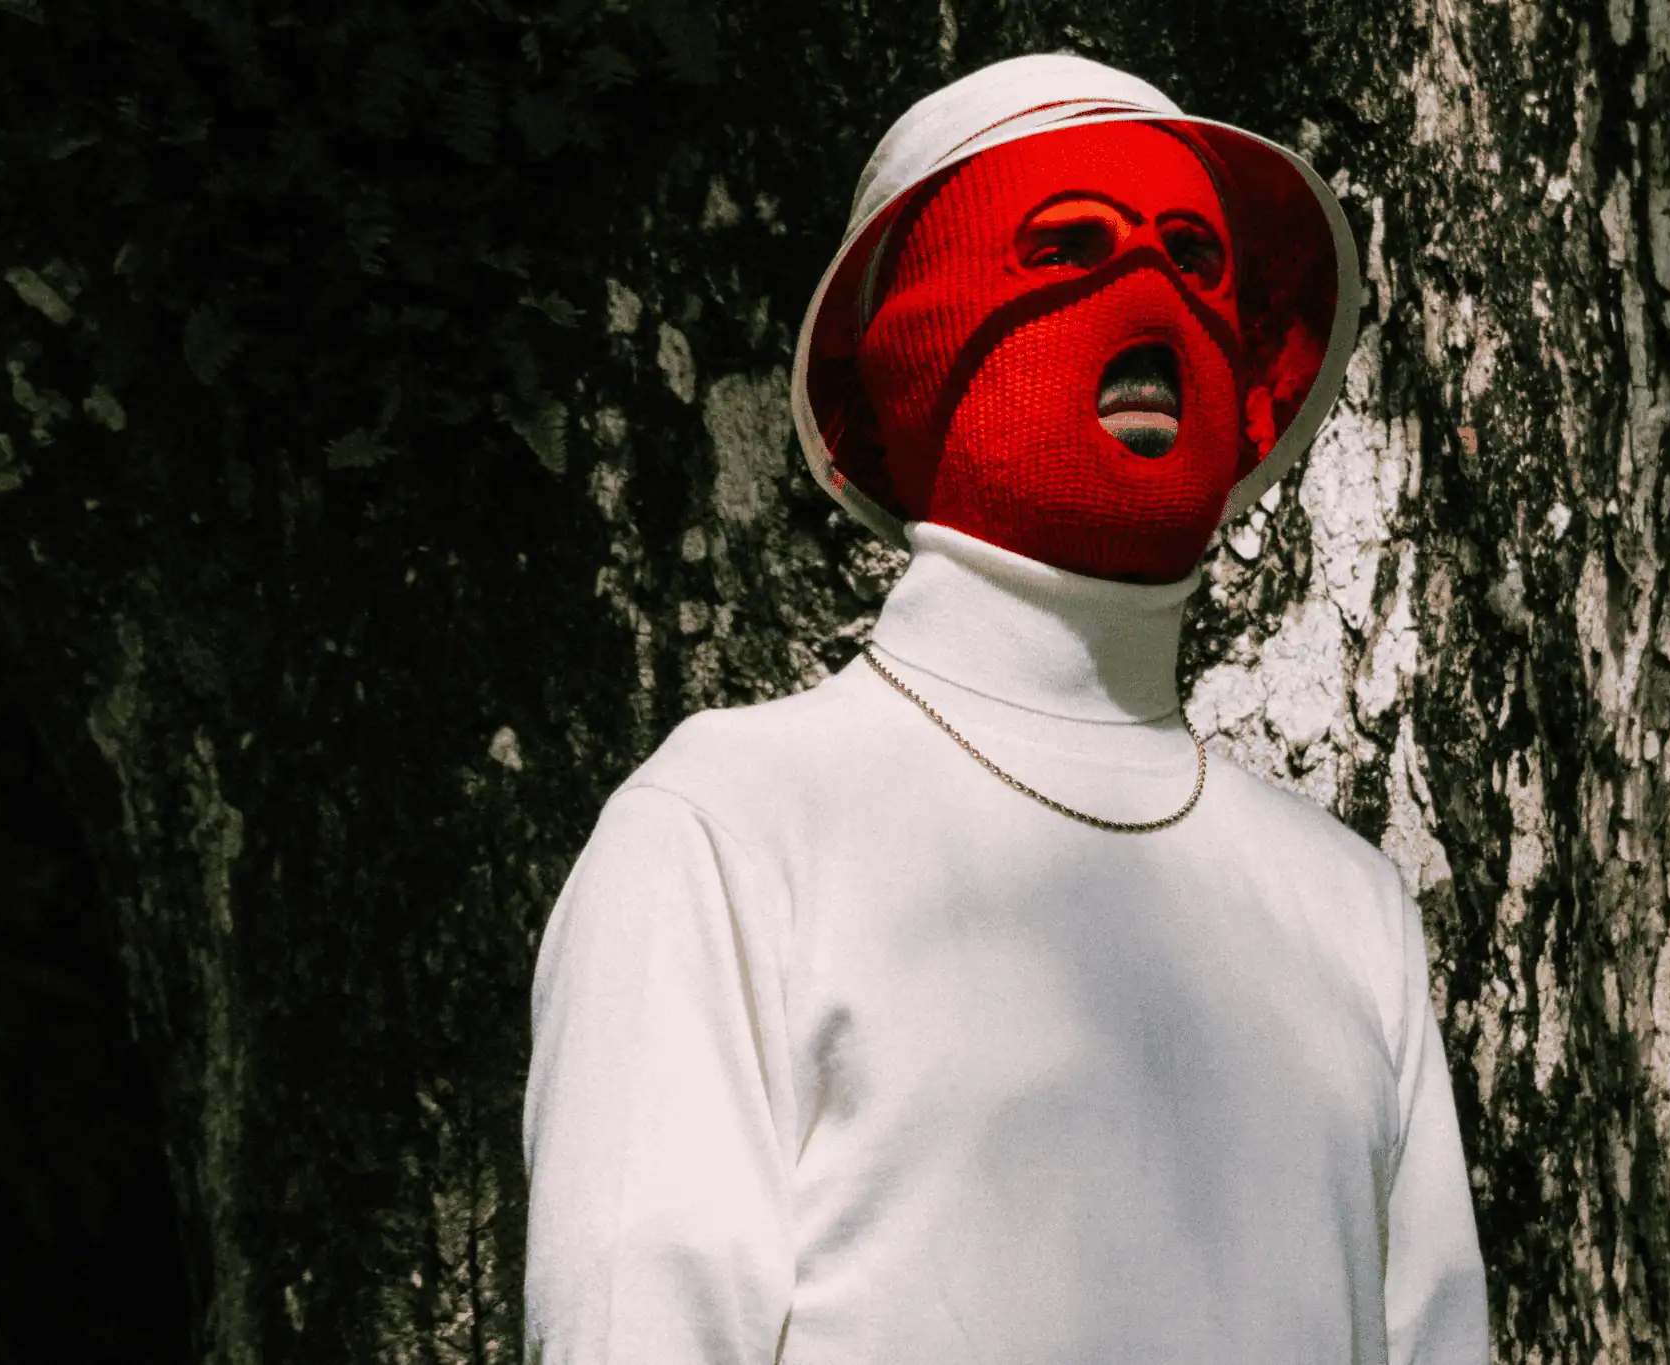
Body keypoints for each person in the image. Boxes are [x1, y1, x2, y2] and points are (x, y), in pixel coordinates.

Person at [523, 51, 1491, 1364]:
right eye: (1072, 245)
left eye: (1196, 260)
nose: (1151, 294)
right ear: (920, 347)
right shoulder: (730, 830)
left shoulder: (1345, 904)